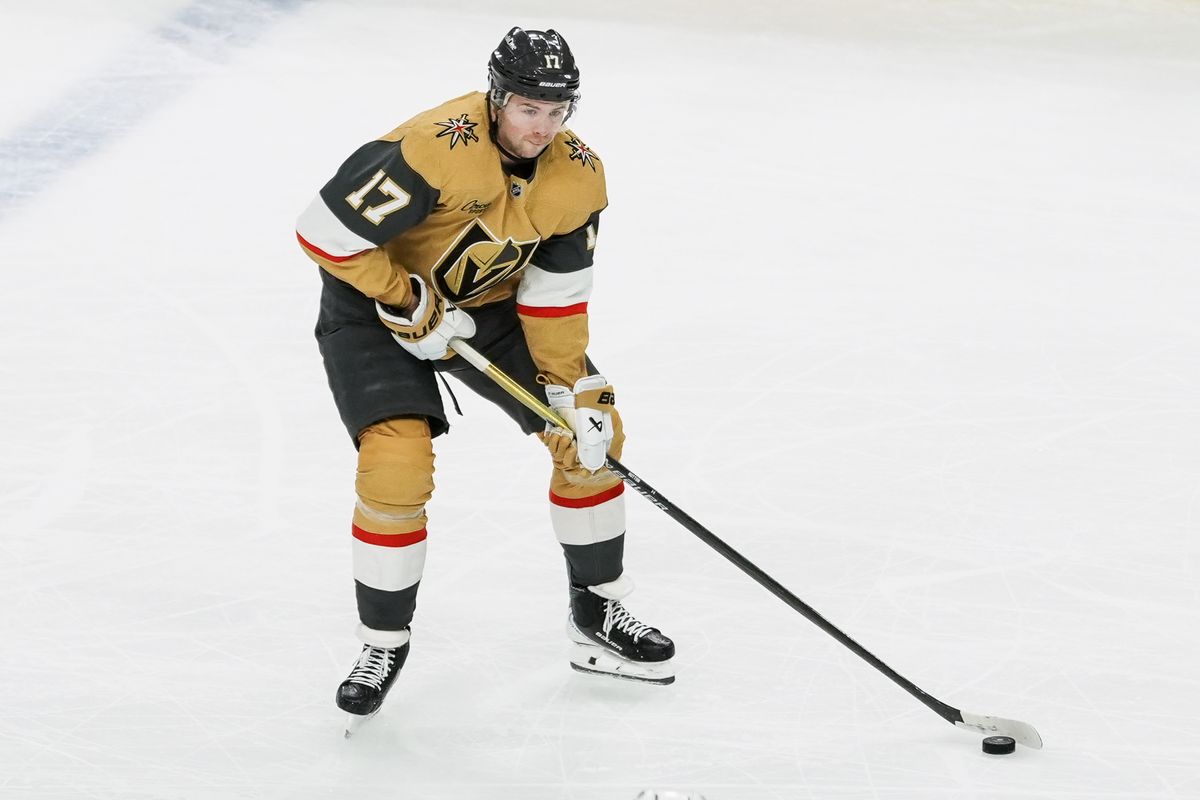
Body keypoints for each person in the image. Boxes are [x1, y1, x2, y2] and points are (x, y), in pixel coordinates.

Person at [294, 27, 675, 724]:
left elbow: (557, 296)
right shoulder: (433, 149)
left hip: (485, 309)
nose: (543, 127)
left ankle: (596, 615)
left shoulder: (578, 175)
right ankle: (382, 644)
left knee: (592, 440)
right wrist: (407, 299)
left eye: (558, 112)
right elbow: (325, 231)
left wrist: (572, 391)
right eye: (530, 108)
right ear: (498, 97)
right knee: (396, 463)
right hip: (372, 306)